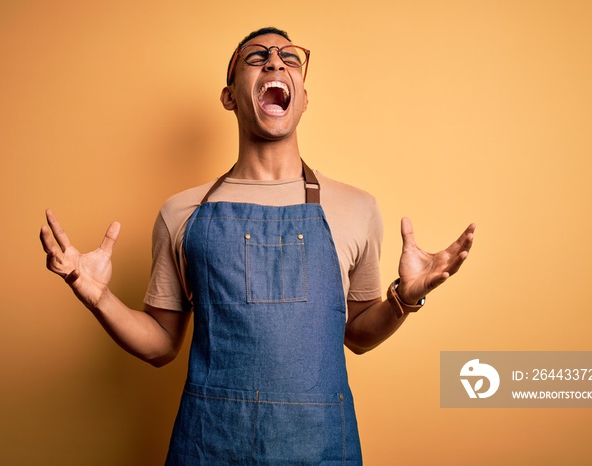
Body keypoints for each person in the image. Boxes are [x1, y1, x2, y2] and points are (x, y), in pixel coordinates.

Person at [40, 26, 475, 465]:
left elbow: (358, 335)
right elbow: (160, 344)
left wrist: (404, 297)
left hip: (320, 449)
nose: (274, 61)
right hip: (210, 446)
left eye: (290, 57)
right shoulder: (181, 213)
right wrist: (97, 297)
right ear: (230, 96)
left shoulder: (357, 208)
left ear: (304, 97)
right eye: (256, 57)